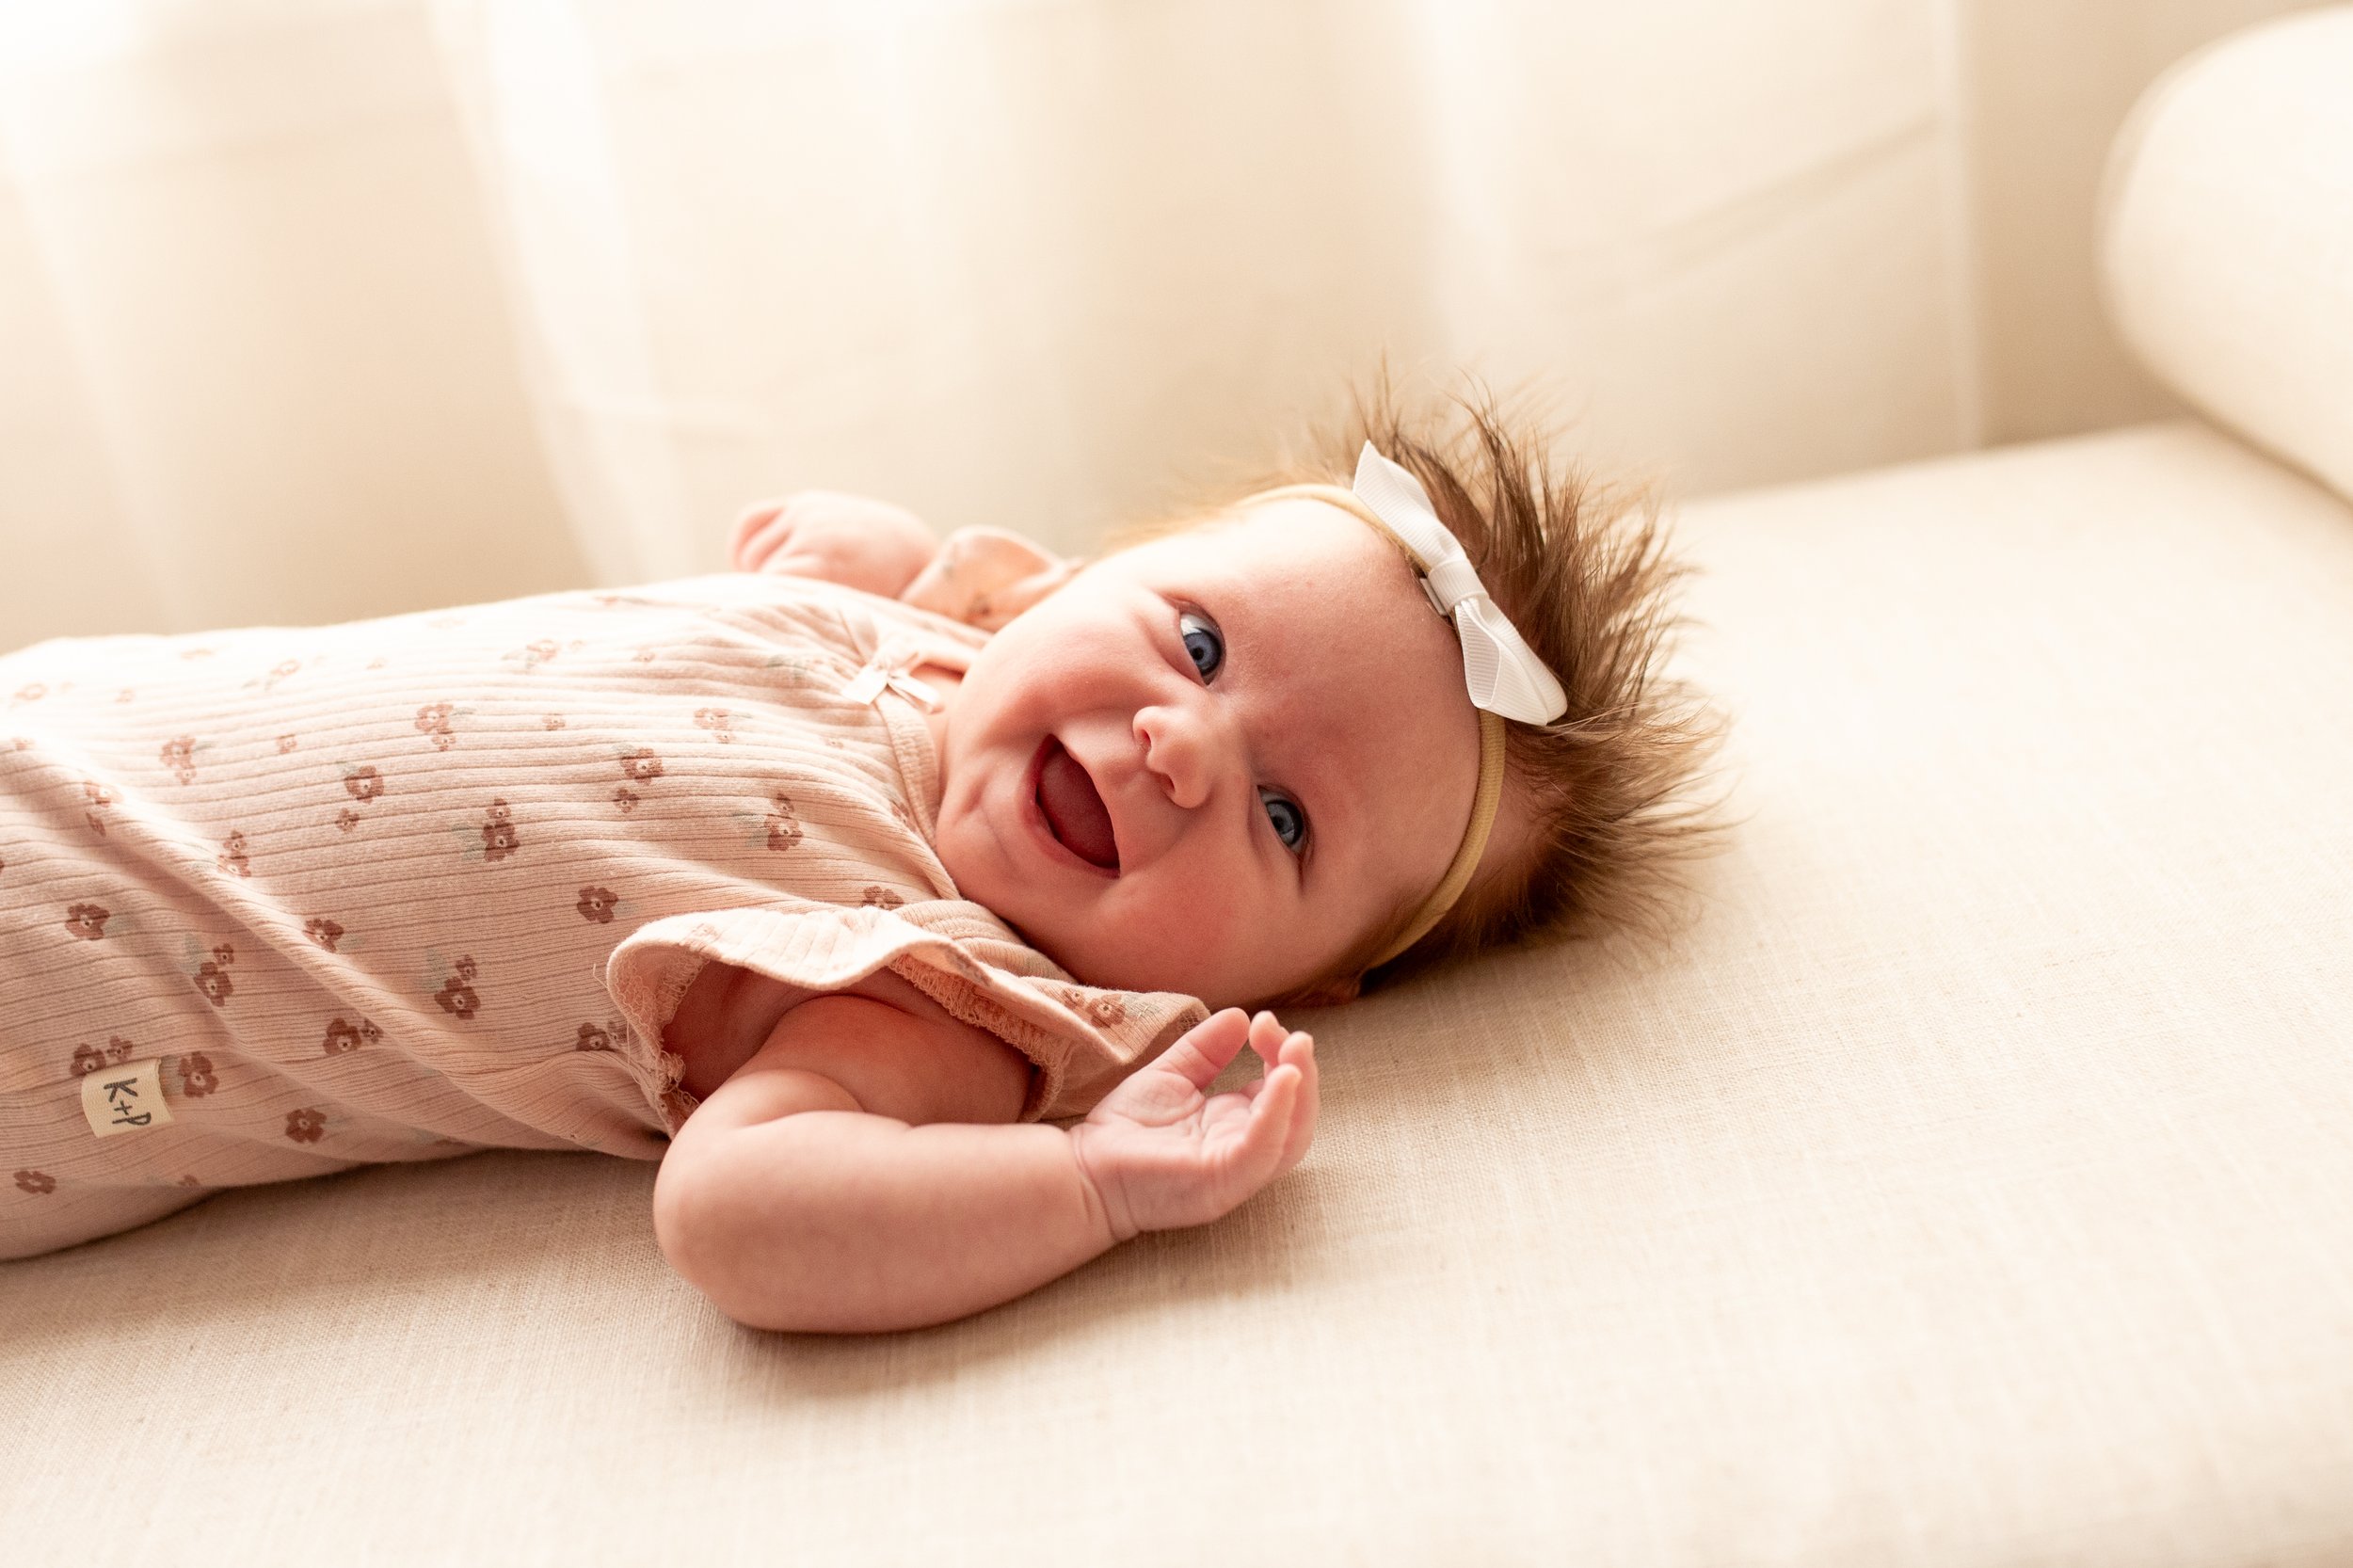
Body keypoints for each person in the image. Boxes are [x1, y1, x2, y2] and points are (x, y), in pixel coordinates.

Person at [0, 385, 1723, 1331]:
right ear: (1071, 577)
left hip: (64, 1020)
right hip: (63, 719)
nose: (1183, 745)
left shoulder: (939, 997)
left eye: (1287, 819)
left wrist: (1095, 1185)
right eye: (1197, 640)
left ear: (1299, 983)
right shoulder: (942, 641)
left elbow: (737, 1214)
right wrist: (870, 559)